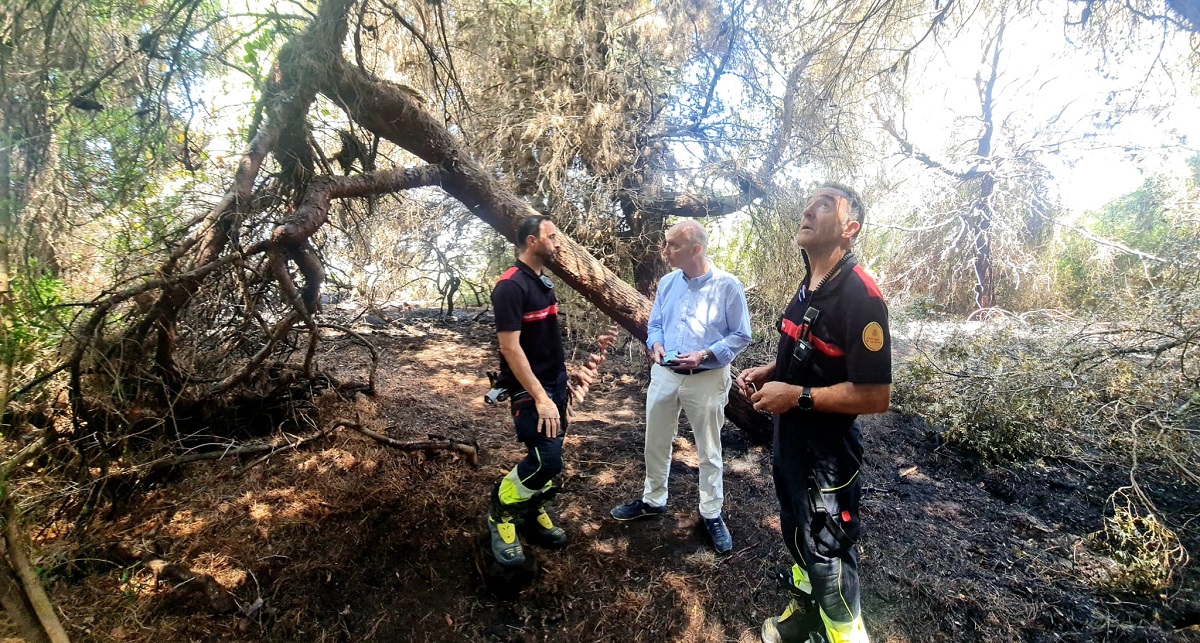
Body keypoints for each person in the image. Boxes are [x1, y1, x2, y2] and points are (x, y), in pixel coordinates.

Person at [736, 184, 891, 643]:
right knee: (797, 535)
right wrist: (771, 371)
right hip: (791, 448)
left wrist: (796, 395)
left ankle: (846, 635)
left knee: (829, 557)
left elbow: (876, 396)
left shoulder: (861, 294)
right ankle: (805, 619)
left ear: (849, 228)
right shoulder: (809, 284)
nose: (807, 208)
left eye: (824, 205)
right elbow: (816, 354)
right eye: (808, 202)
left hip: (828, 459)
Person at [610, 220, 751, 554]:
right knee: (655, 441)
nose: (666, 250)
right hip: (666, 374)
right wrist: (655, 344)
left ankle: (711, 513)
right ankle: (653, 500)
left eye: (673, 244)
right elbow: (656, 323)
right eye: (666, 243)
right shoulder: (669, 283)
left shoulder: (728, 286)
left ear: (696, 249)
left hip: (707, 378)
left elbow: (741, 335)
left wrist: (704, 354)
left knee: (709, 450)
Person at [485, 215, 573, 568]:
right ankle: (501, 513)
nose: (558, 243)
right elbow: (510, 348)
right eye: (553, 237)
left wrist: (560, 388)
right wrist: (540, 397)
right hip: (531, 391)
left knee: (549, 464)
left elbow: (545, 341)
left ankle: (531, 509)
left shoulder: (543, 284)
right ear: (533, 241)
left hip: (556, 386)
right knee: (545, 461)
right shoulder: (509, 286)